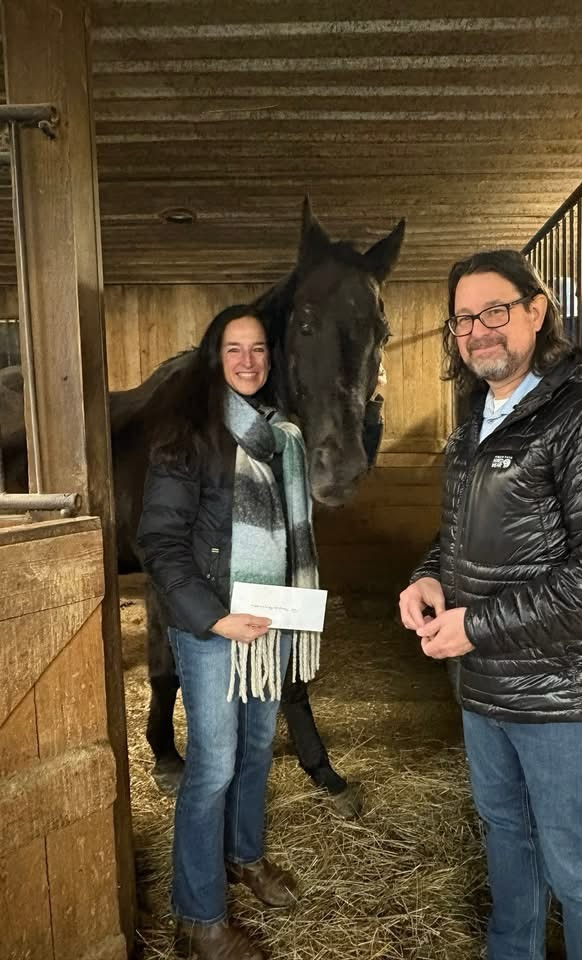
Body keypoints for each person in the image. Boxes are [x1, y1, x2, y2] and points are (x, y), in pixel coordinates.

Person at [398, 250, 582, 960]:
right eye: (463, 319)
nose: (478, 329)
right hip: (487, 688)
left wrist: (475, 625)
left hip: (566, 695)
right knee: (507, 839)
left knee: (579, 867)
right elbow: (459, 533)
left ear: (536, 312)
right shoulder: (477, 420)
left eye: (494, 311)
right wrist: (428, 578)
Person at [138, 304, 321, 960]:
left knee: (251, 753)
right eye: (234, 349)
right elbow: (158, 539)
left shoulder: (281, 437)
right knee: (212, 766)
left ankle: (244, 856)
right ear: (213, 358)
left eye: (259, 349)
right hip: (215, 630)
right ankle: (200, 920)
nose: (248, 361)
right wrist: (213, 617)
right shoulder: (187, 435)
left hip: (266, 626)